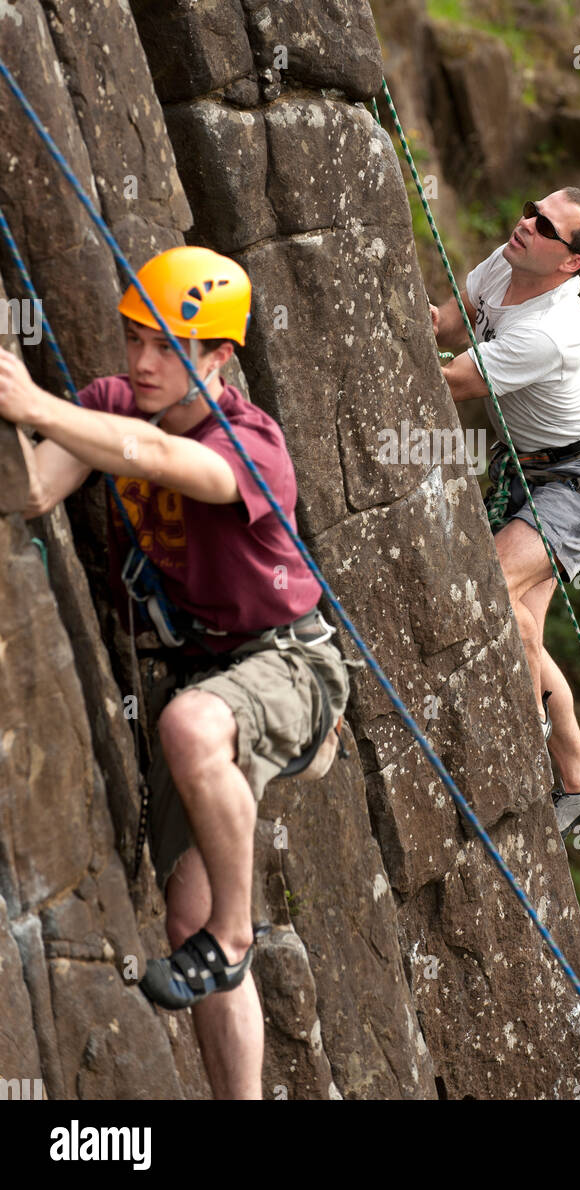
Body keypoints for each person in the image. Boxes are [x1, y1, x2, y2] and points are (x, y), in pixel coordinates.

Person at [0, 245, 354, 1100]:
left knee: (192, 729)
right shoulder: (115, 405)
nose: (143, 363)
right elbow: (37, 491)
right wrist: (22, 413)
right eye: (134, 341)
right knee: (183, 915)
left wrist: (37, 400)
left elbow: (162, 464)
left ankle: (235, 935)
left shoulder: (252, 443)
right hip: (196, 673)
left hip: (287, 663)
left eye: (167, 346)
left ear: (218, 357)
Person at [431, 189, 580, 839]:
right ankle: (578, 780)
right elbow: (442, 326)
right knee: (520, 621)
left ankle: (529, 732)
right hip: (525, 468)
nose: (525, 224)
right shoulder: (507, 262)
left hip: (579, 481)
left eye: (544, 226)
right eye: (528, 209)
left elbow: (450, 380)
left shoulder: (549, 331)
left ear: (569, 263)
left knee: (491, 588)